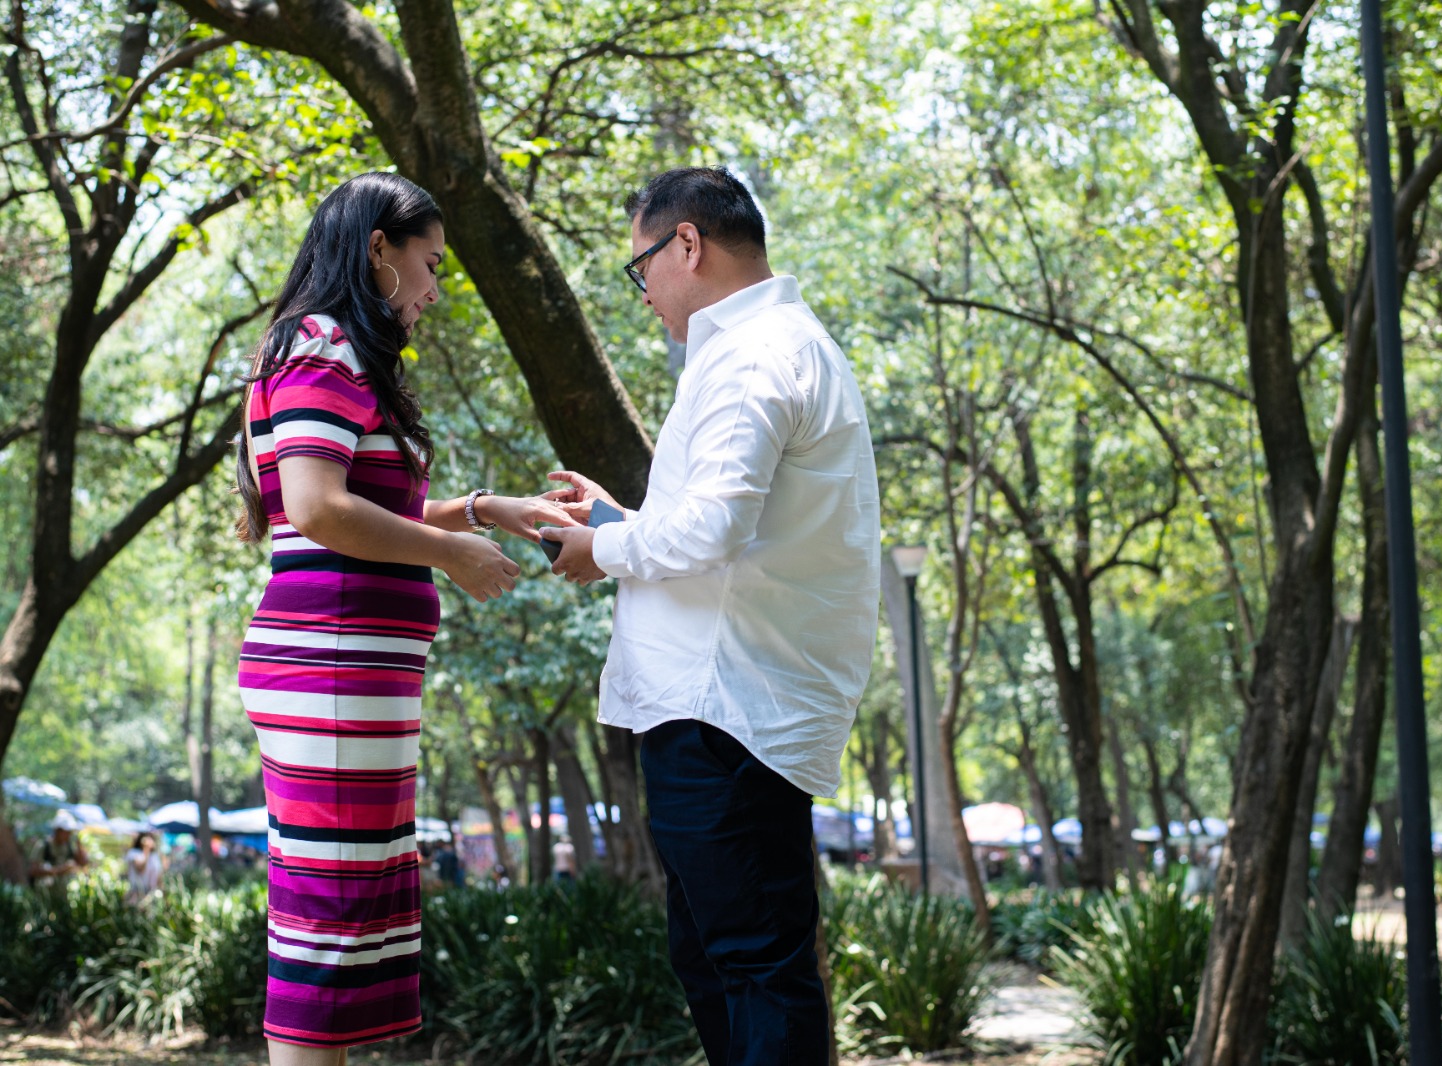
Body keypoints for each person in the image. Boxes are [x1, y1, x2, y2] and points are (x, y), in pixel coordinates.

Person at [541, 166, 881, 1066]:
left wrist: (603, 548)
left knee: (755, 969)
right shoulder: (770, 345)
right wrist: (619, 520)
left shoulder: (752, 353)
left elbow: (715, 530)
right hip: (728, 705)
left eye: (641, 266)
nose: (643, 290)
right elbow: (730, 533)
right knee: (722, 964)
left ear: (686, 244)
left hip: (725, 713)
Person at [232, 172, 573, 1064]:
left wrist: (483, 511)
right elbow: (317, 507)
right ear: (378, 248)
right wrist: (450, 554)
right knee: (327, 925)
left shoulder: (336, 350)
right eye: (431, 264)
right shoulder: (321, 344)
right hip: (331, 668)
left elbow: (364, 505)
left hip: (351, 673)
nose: (433, 289)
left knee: (344, 920)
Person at [29, 810, 90, 889]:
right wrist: (59, 870)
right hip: (45, 892)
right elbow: (33, 871)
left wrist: (78, 843)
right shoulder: (43, 846)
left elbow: (83, 862)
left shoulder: (69, 846)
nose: (69, 835)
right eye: (67, 832)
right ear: (58, 831)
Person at [124, 831, 163, 903]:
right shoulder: (133, 853)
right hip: (136, 893)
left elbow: (159, 875)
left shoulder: (154, 856)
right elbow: (140, 868)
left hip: (151, 894)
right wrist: (146, 849)